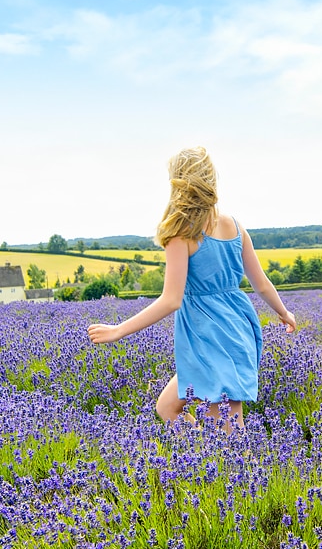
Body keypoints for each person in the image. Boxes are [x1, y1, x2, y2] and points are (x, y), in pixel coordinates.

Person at [87, 147, 297, 424]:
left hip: (210, 332)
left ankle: (225, 464)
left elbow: (171, 300)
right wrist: (284, 312)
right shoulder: (234, 226)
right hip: (237, 327)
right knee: (168, 407)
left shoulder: (181, 234)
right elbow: (261, 284)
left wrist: (118, 330)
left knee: (227, 429)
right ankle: (201, 461)